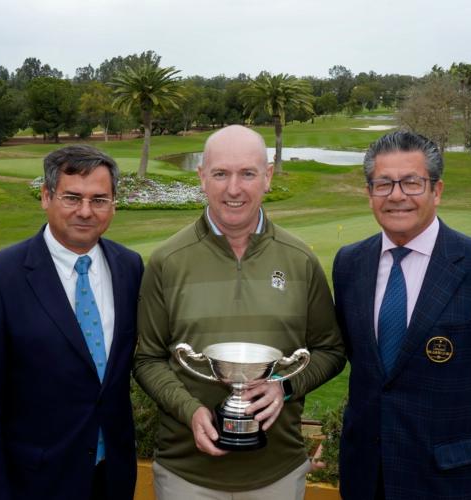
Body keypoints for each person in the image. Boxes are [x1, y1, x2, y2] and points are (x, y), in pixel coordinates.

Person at [134, 125, 345, 499]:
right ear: (202, 177)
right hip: (186, 476)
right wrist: (190, 410)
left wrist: (285, 387)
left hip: (278, 473)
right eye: (221, 174)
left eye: (247, 173)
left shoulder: (300, 259)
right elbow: (148, 358)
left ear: (268, 176)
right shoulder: (167, 260)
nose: (234, 189)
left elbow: (330, 351)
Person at [332, 131, 471, 499]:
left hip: (452, 481)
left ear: (437, 190)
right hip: (366, 476)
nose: (397, 195)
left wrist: (468, 443)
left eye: (412, 182)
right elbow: (362, 361)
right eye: (384, 184)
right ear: (370, 193)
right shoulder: (349, 264)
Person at [0, 145, 143, 500]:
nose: (86, 212)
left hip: (113, 477)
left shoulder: (129, 267)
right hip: (33, 484)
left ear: (114, 202)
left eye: (99, 200)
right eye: (72, 197)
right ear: (46, 196)